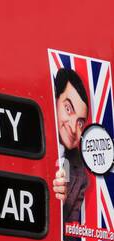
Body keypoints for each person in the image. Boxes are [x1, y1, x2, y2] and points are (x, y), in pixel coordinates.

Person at [51, 66, 90, 226]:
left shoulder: (80, 174)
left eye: (80, 122)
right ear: (55, 100)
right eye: (68, 109)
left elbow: (71, 234)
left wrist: (61, 202)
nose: (74, 129)